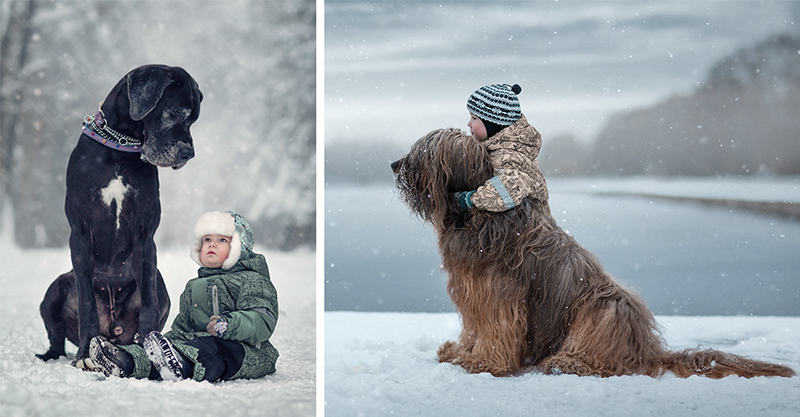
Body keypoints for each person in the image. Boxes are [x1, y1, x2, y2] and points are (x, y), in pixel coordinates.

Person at [88, 211, 279, 382]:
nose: (212, 244)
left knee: (211, 349)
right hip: (198, 346)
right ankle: (123, 360)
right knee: (176, 348)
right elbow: (183, 328)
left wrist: (229, 324)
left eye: (222, 240)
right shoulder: (194, 287)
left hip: (246, 352)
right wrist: (166, 343)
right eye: (207, 240)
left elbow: (262, 320)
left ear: (239, 248)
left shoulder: (252, 280)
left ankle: (178, 363)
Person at [452, 83, 551, 217]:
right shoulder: (502, 148)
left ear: (493, 125)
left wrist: (469, 200)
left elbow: (511, 188)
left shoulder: (507, 155)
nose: (469, 124)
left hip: (527, 229)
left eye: (474, 118)